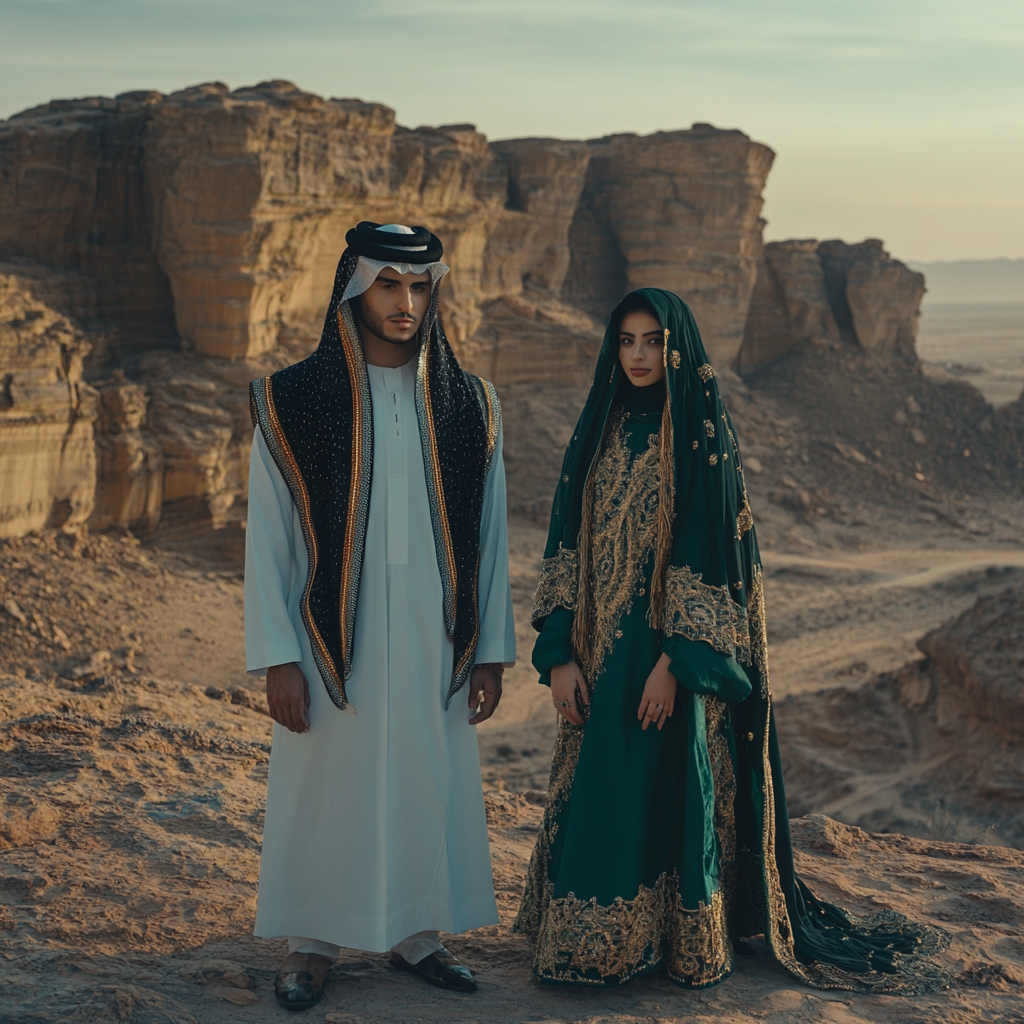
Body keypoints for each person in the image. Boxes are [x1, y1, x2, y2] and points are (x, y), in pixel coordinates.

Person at [513, 288, 949, 993]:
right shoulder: (596, 427)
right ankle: (590, 945)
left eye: (653, 341)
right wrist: (558, 652)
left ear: (676, 345)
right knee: (605, 793)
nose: (638, 355)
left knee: (664, 790)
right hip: (598, 658)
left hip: (666, 665)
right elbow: (563, 545)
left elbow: (713, 557)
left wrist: (677, 665)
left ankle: (672, 946)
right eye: (626, 341)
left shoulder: (701, 433)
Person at [245, 222, 516, 1009]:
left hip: (437, 638)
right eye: (388, 284)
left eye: (420, 286)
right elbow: (268, 537)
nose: (405, 303)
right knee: (325, 784)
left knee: (424, 780)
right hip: (329, 637)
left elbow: (493, 537)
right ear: (354, 287)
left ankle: (416, 932)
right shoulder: (291, 399)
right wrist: (278, 655)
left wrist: (490, 651)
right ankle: (311, 942)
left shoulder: (472, 404)